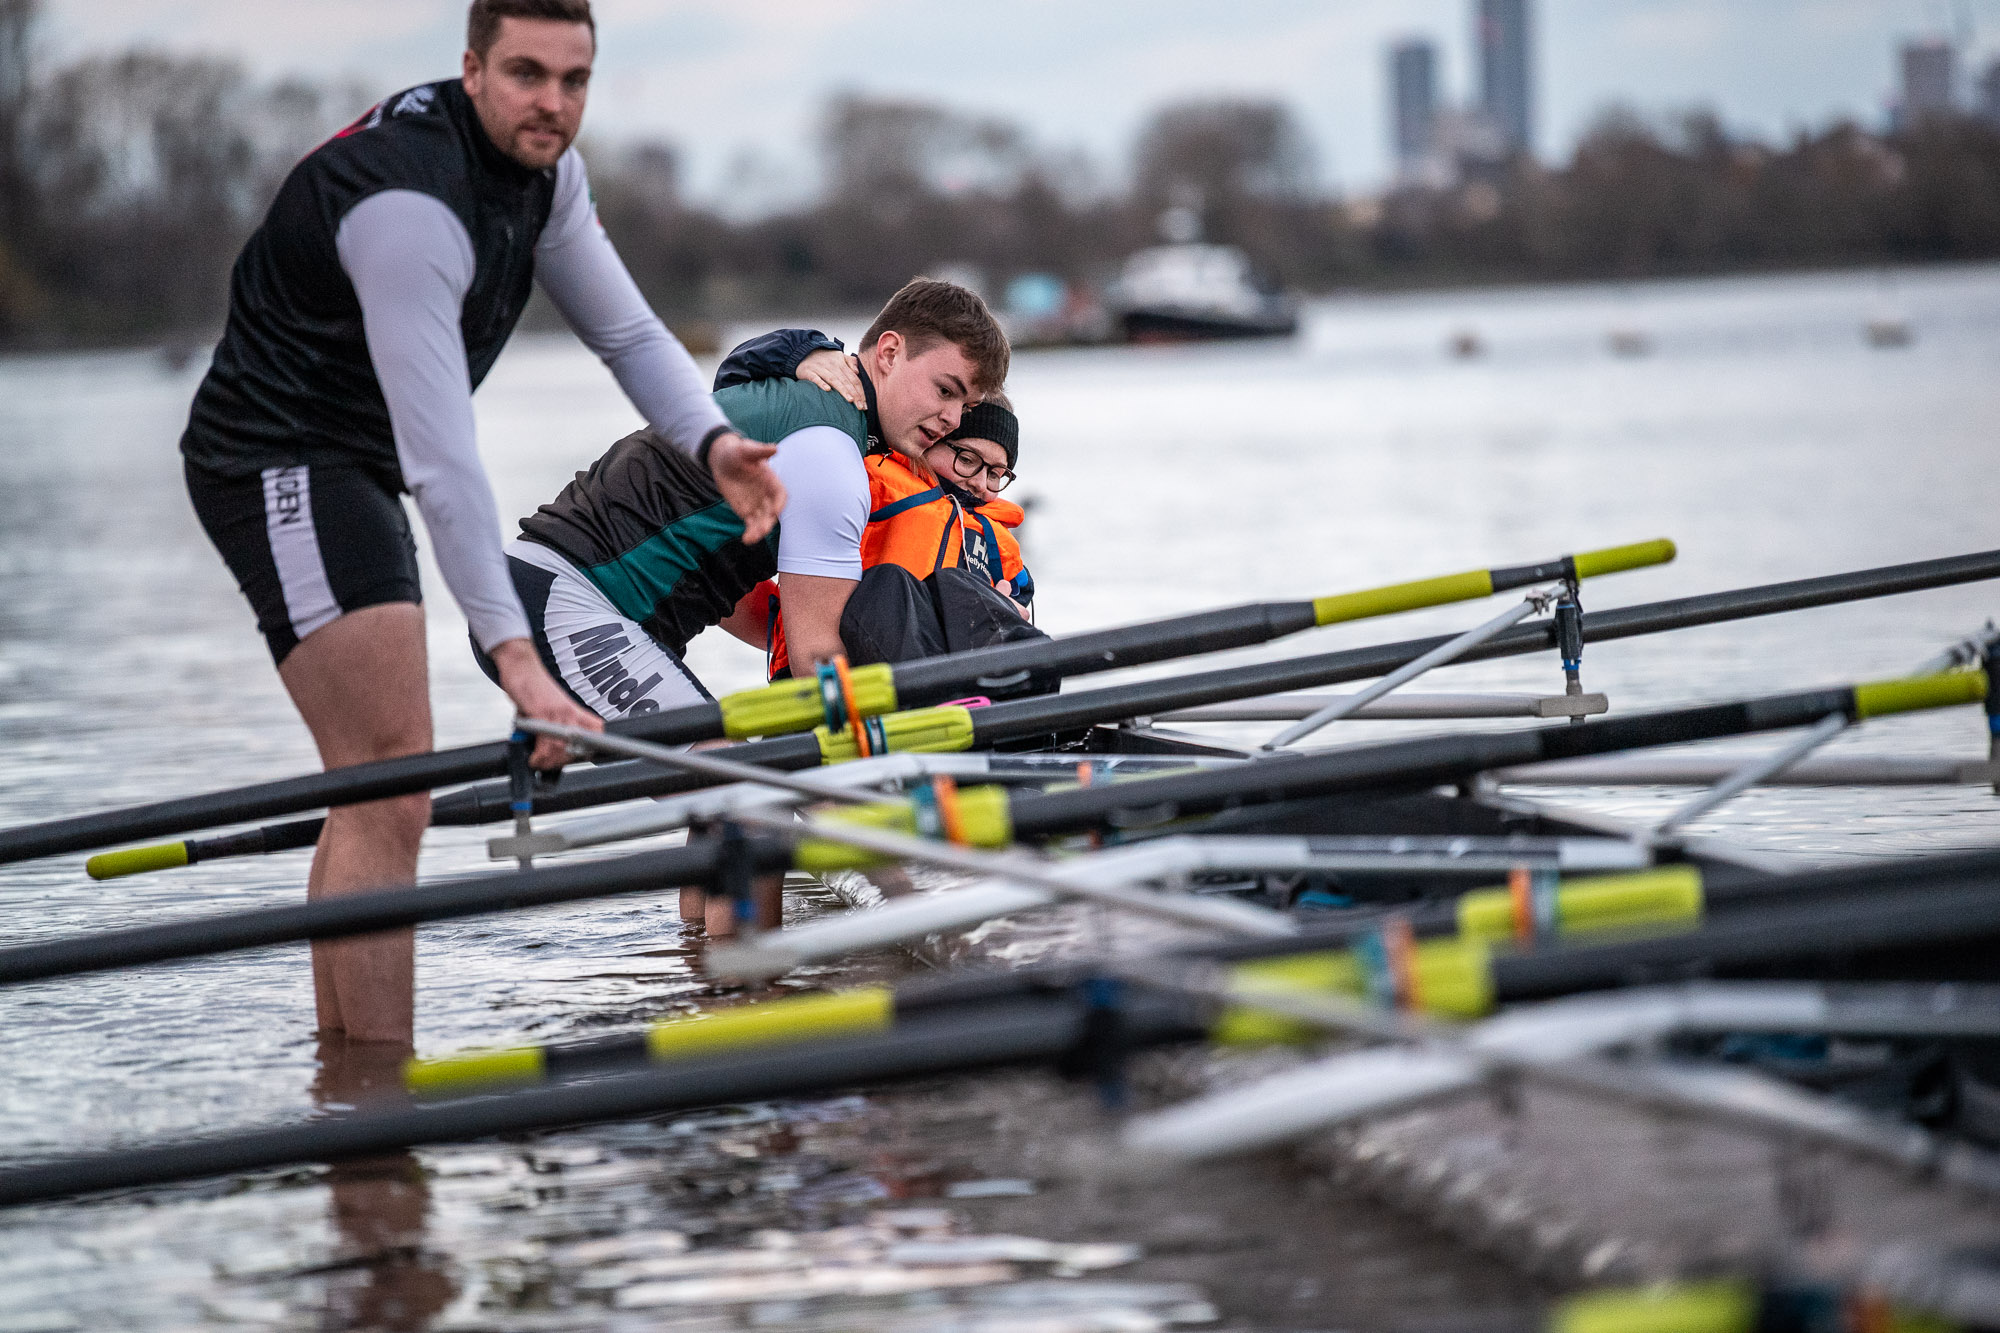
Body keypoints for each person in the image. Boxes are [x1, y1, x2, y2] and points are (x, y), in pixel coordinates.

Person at [177, 0, 783, 1047]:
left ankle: (347, 1094)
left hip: (353, 460)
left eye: (573, 80)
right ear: (472, 69)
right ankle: (377, 1099)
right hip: (273, 454)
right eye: (525, 75)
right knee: (391, 776)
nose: (552, 104)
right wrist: (519, 664)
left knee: (376, 784)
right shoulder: (412, 209)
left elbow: (628, 333)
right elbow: (444, 464)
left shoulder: (549, 176)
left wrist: (714, 443)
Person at [478, 278, 1009, 935]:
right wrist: (891, 824)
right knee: (749, 807)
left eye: (967, 405)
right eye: (946, 389)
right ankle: (750, 1000)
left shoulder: (803, 398)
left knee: (722, 791)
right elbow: (820, 664)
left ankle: (700, 979)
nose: (952, 419)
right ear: (889, 353)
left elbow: (747, 612)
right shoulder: (832, 453)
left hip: (552, 595)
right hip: (564, 604)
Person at [710, 331, 1034, 679]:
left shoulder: (999, 545)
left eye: (997, 473)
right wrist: (806, 354)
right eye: (967, 460)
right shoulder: (865, 478)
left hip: (950, 694)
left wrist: (1005, 617)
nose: (980, 483)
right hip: (834, 682)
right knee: (889, 583)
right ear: (930, 440)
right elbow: (739, 377)